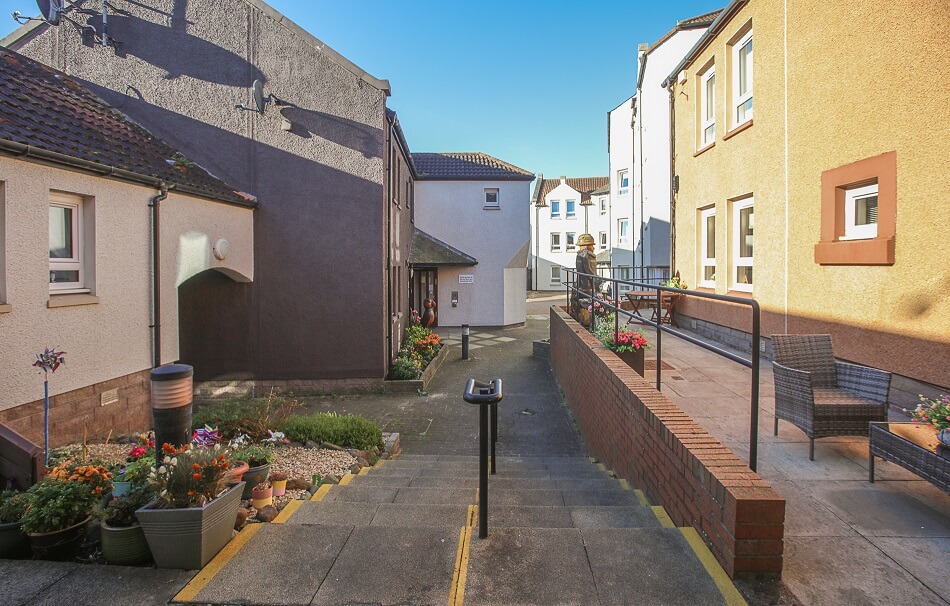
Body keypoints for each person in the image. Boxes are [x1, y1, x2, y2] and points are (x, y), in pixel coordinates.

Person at [571, 233, 598, 320]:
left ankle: (579, 316)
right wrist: (596, 280)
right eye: (591, 245)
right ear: (586, 246)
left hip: (580, 284)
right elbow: (589, 271)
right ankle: (588, 319)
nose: (593, 247)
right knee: (592, 302)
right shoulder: (588, 255)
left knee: (578, 303)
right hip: (588, 286)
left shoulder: (579, 255)